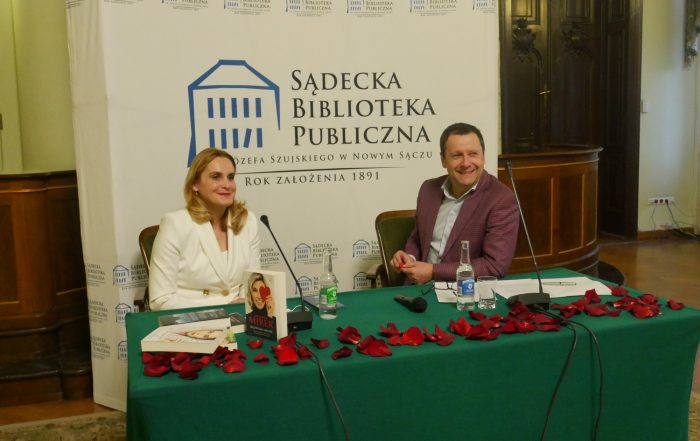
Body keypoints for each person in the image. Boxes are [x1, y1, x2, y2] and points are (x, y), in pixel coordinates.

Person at [390, 122, 519, 284]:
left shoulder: (501, 199)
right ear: (443, 160)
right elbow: (418, 237)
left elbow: (494, 266)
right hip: (417, 288)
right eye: (457, 155)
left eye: (473, 154)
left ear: (483, 157)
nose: (466, 163)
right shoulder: (428, 189)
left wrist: (433, 271)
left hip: (463, 292)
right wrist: (409, 257)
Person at [149, 148, 261, 310]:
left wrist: (245, 306)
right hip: (192, 319)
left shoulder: (248, 221)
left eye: (230, 177)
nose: (227, 185)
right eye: (216, 177)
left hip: (241, 316)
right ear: (195, 184)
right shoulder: (175, 224)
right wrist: (222, 310)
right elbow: (161, 299)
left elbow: (252, 284)